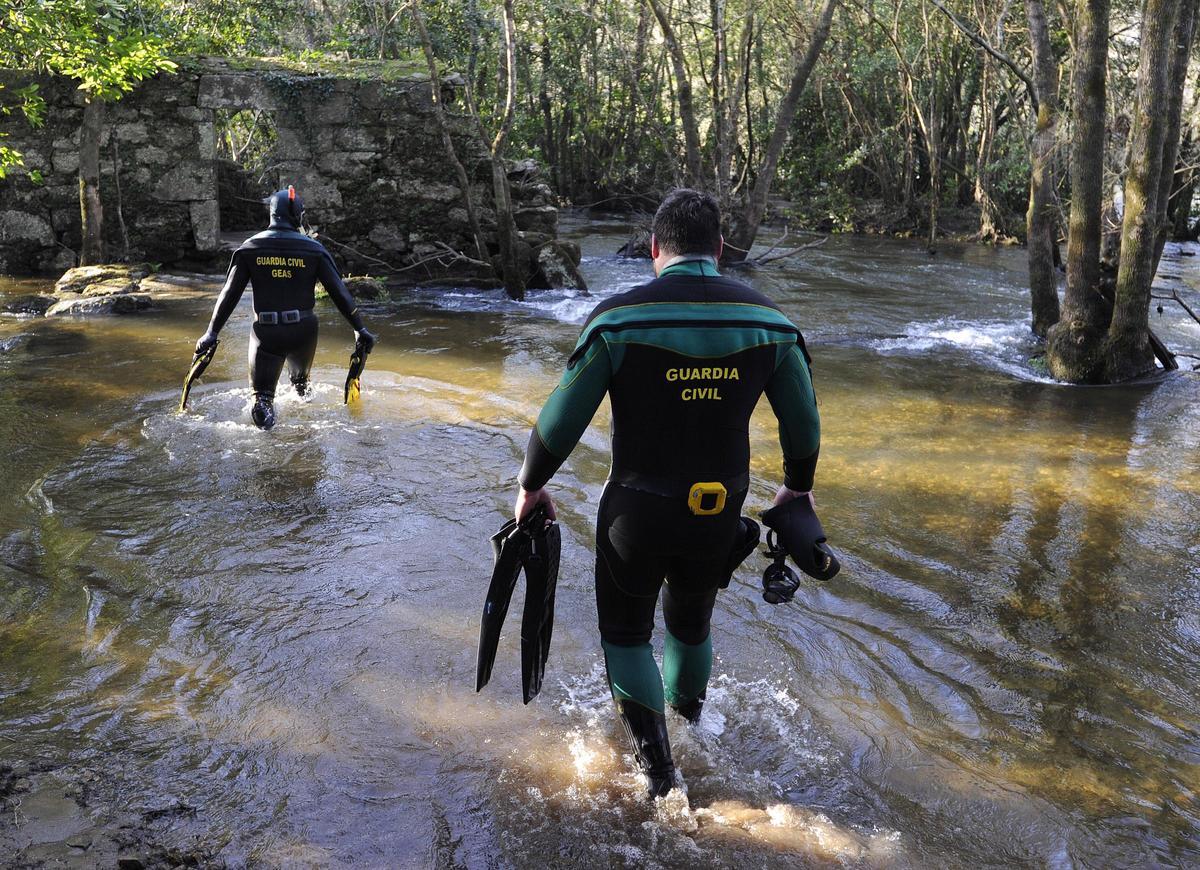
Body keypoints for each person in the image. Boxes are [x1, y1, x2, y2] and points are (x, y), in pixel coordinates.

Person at [512, 189, 821, 798]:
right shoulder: (772, 324)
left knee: (627, 634)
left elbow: (558, 424)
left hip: (636, 510)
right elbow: (803, 422)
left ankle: (659, 773)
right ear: (722, 250)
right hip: (718, 510)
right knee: (690, 625)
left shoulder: (619, 319)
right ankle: (691, 731)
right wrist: (797, 491)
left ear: (655, 249)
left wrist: (531, 486)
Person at [194, 186, 377, 429]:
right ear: (298, 216)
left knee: (262, 399)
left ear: (271, 215)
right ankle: (307, 432)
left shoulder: (250, 248)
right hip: (304, 331)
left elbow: (230, 294)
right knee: (301, 387)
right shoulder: (314, 250)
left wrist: (211, 333)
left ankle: (267, 448)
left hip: (266, 333)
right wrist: (359, 329)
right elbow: (339, 293)